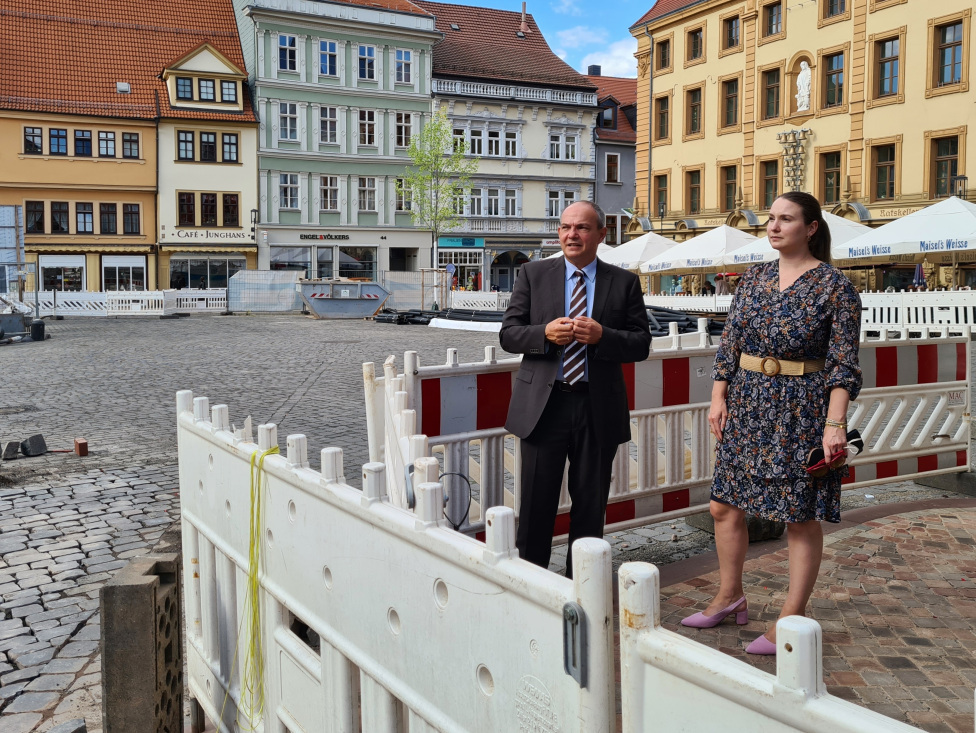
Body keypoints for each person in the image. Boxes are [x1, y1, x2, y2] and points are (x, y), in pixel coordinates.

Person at [680, 191, 862, 654]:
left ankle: (790, 617)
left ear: (811, 228)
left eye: (786, 219)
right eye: (772, 219)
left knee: (799, 517)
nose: (774, 227)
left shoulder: (835, 287)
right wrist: (718, 396)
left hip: (802, 407)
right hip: (747, 401)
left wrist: (834, 425)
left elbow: (843, 364)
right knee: (724, 504)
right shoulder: (755, 278)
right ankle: (729, 595)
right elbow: (731, 341)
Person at [500, 201, 651, 576]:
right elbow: (508, 334)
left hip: (596, 407)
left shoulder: (624, 281)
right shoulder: (533, 274)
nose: (572, 234)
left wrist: (604, 336)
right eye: (566, 227)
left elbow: (641, 343)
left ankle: (582, 586)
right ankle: (530, 583)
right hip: (544, 407)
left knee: (590, 503)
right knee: (536, 503)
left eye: (582, 228)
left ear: (601, 234)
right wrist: (543, 334)